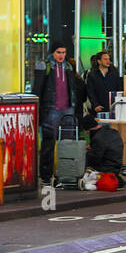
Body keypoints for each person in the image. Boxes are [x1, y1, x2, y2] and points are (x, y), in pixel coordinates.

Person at [31, 41, 86, 186]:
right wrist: (36, 108)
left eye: (63, 52)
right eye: (58, 52)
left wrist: (75, 108)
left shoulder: (68, 66)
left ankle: (65, 174)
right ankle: (46, 176)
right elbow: (37, 88)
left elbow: (73, 88)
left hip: (67, 109)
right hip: (50, 109)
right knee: (48, 144)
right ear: (52, 52)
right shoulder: (44, 66)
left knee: (66, 144)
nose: (61, 55)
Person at [81, 112, 124, 185]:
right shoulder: (114, 132)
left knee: (84, 160)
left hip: (106, 168)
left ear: (88, 129)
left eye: (87, 132)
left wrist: (87, 153)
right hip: (117, 166)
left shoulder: (97, 138)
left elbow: (95, 159)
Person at [84, 51, 121, 117]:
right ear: (99, 61)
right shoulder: (92, 74)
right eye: (105, 59)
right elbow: (90, 91)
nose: (108, 61)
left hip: (112, 106)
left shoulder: (114, 73)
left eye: (109, 59)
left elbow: (119, 89)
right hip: (98, 107)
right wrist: (95, 105)